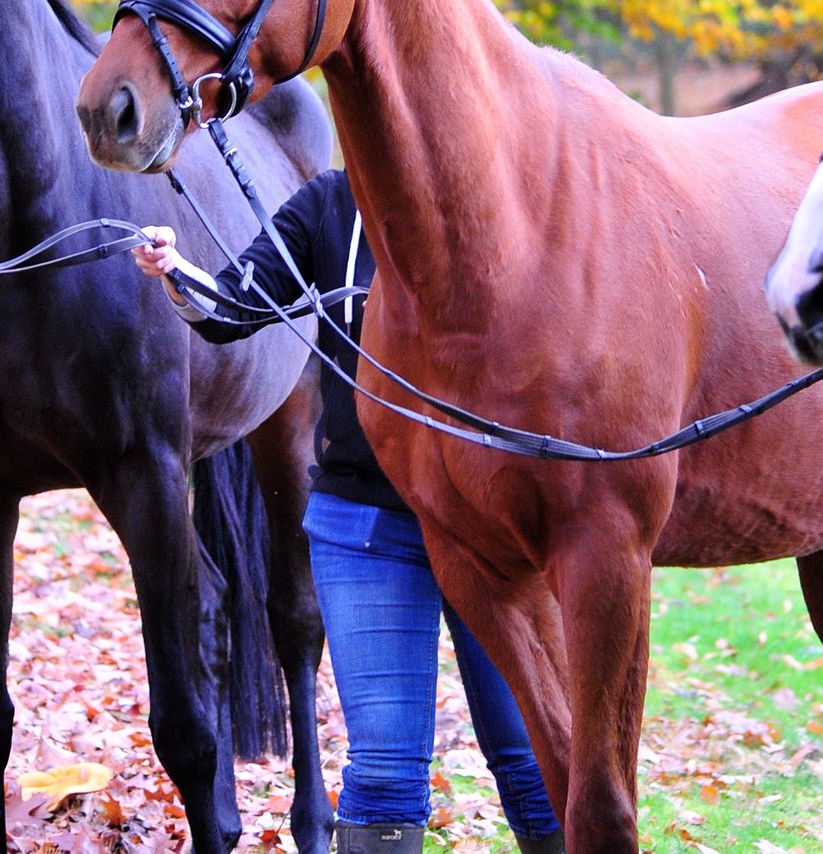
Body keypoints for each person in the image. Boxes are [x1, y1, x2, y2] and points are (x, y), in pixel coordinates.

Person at [133, 170, 563, 854]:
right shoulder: (331, 204)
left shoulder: (510, 184)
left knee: (537, 757)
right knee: (386, 777)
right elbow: (231, 308)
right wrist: (175, 267)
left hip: (494, 529)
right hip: (369, 528)